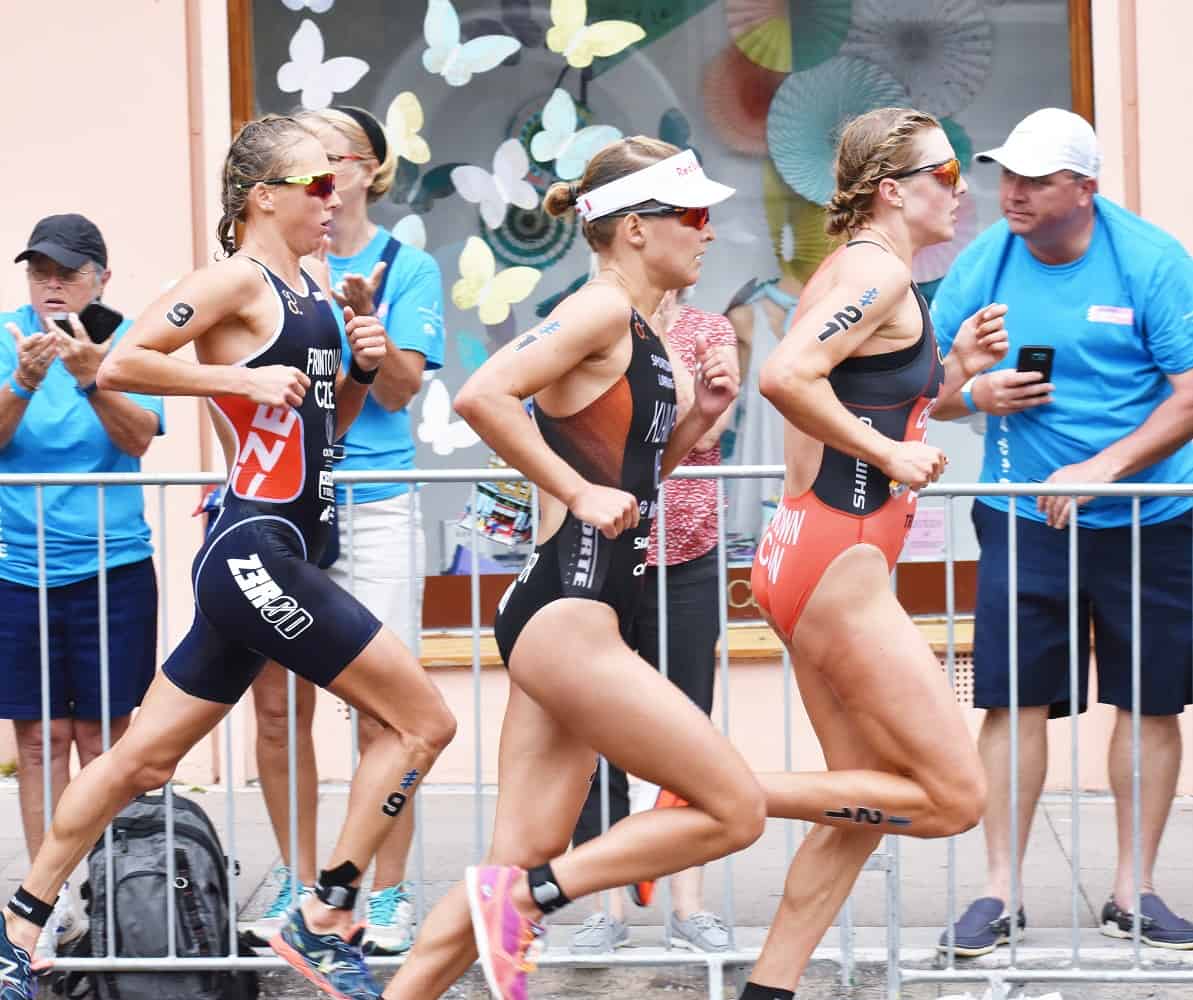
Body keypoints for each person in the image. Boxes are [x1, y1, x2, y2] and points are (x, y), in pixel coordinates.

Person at [0, 114, 457, 1000]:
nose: (334, 198)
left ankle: (17, 929)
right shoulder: (232, 283)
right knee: (423, 722)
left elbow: (333, 430)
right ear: (264, 197)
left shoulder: (317, 292)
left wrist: (361, 366)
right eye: (316, 184)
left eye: (338, 182)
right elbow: (125, 360)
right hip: (256, 549)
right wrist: (233, 379)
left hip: (275, 552)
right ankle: (324, 919)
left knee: (140, 762)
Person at [380, 137, 765, 1000]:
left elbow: (628, 476)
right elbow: (483, 395)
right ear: (634, 228)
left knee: (511, 859)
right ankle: (538, 895)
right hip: (570, 611)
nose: (708, 232)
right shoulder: (596, 310)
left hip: (574, 607)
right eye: (693, 214)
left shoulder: (640, 330)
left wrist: (696, 424)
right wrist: (572, 491)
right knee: (732, 807)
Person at [736, 107, 1007, 1000]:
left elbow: (877, 401)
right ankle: (704, 781)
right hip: (838, 561)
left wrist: (956, 372)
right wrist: (888, 456)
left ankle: (769, 988)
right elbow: (784, 377)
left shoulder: (872, 276)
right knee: (951, 796)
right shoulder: (874, 274)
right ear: (892, 189)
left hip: (815, 556)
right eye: (947, 175)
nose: (960, 193)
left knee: (861, 800)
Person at [930, 107, 1193, 955]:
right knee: (1011, 701)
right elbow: (924, 393)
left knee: (1148, 702)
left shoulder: (1150, 261)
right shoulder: (983, 261)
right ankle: (997, 895)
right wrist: (974, 393)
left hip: (1149, 515)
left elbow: (1189, 395)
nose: (1011, 193)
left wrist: (1097, 471)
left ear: (1084, 189)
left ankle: (1134, 891)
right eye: (1005, 174)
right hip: (1020, 515)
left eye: (1036, 180)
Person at [243, 104, 444, 956]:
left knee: (385, 708)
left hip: (373, 503)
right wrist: (240, 481)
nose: (316, 177)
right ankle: (298, 882)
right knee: (278, 706)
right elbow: (237, 388)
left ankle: (384, 894)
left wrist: (370, 327)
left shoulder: (409, 265)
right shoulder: (268, 265)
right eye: (302, 164)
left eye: (328, 160)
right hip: (284, 507)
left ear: (367, 169)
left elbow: (398, 392)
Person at [0, 215, 164, 962]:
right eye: (40, 272)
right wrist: (23, 383)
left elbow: (138, 436)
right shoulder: (7, 336)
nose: (52, 286)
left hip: (112, 563)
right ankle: (50, 901)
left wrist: (88, 374)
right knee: (38, 742)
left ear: (101, 276)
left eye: (66, 272)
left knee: (105, 741)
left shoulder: (129, 335)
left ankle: (116, 887)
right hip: (17, 566)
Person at [568, 287, 738, 956]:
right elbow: (580, 424)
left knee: (687, 731)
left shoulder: (709, 327)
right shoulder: (589, 319)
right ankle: (607, 908)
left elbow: (712, 425)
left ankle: (687, 905)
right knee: (598, 730)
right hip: (608, 550)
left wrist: (654, 352)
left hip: (688, 553)